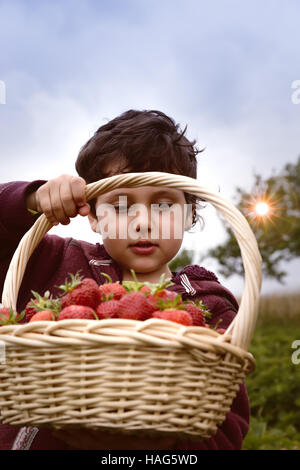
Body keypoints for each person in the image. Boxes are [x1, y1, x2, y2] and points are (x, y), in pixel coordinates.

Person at [0, 109, 250, 450]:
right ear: (92, 214)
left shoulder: (208, 307)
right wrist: (32, 199)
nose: (142, 222)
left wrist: (139, 448)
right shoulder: (55, 259)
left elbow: (225, 429)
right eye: (120, 205)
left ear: (191, 211)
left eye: (163, 206)